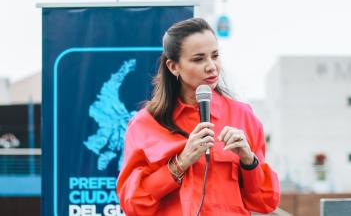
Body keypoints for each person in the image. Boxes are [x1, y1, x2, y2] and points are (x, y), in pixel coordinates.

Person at [117, 17, 280, 215]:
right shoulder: (146, 123)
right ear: (173, 67)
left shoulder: (242, 115)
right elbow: (133, 203)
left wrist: (248, 160)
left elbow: (265, 201)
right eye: (198, 59)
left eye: (215, 55)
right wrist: (181, 162)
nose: (211, 66)